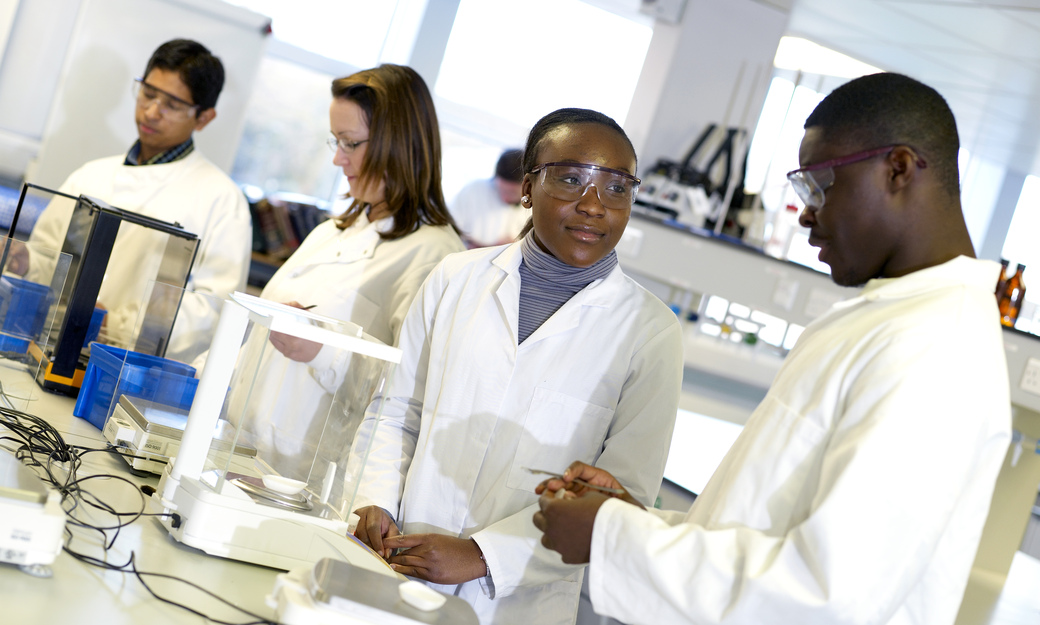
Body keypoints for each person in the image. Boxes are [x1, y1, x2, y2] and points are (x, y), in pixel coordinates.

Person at [532, 73, 1013, 625]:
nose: (805, 213)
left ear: (898, 169)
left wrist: (613, 537)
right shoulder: (893, 320)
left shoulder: (938, 350)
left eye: (819, 186)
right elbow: (767, 530)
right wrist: (632, 523)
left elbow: (829, 595)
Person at [348, 108, 684, 625]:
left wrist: (482, 556)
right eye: (571, 179)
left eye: (617, 188)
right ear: (527, 187)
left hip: (517, 604)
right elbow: (397, 411)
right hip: (397, 561)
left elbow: (623, 496)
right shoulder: (453, 279)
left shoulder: (651, 332)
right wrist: (375, 503)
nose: (594, 205)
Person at [226, 64, 465, 479]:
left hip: (307, 477)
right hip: (243, 450)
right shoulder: (330, 231)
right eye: (336, 142)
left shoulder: (435, 255)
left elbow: (409, 397)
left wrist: (323, 349)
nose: (338, 158)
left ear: (400, 143)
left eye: (350, 143)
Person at [20, 39, 250, 357]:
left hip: (129, 375)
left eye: (171, 104)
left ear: (204, 117)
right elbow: (50, 259)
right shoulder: (90, 175)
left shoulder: (222, 200)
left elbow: (210, 311)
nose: (151, 112)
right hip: (45, 351)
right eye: (148, 93)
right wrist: (24, 260)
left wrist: (115, 326)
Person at [451, 148, 529, 248]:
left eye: (512, 193)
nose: (505, 198)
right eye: (502, 190)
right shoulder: (473, 190)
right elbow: (451, 228)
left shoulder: (537, 205)